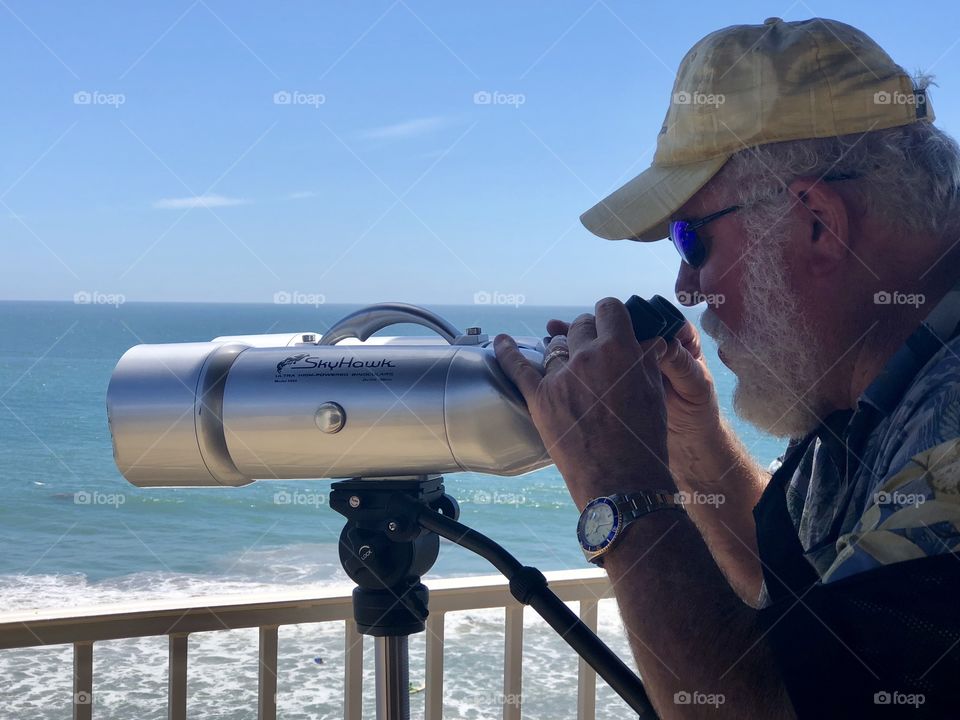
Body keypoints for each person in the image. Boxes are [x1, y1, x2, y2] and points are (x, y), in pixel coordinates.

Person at [494, 17, 960, 719]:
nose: (686, 286)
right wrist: (695, 450)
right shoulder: (886, 386)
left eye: (692, 237)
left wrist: (619, 483)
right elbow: (819, 622)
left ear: (817, 223)